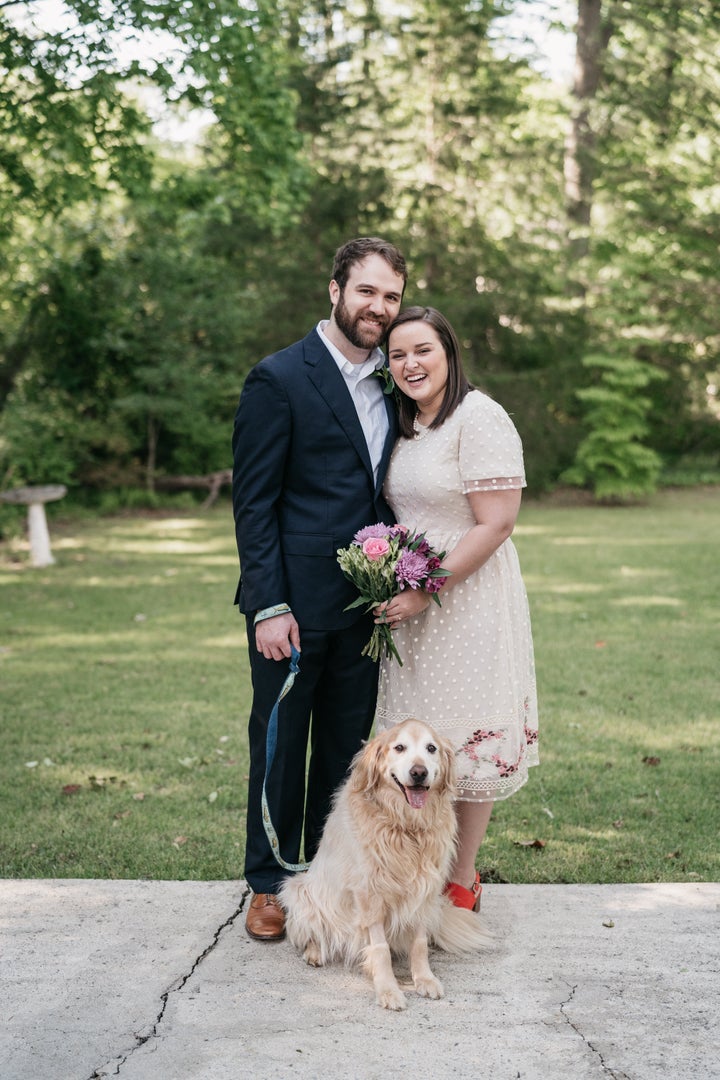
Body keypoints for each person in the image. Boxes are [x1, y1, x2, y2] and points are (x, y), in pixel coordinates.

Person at [232, 237, 408, 941]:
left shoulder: (397, 379)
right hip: (294, 610)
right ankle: (271, 884)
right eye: (367, 291)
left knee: (346, 753)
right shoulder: (279, 378)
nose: (379, 308)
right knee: (279, 748)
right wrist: (268, 605)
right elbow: (254, 503)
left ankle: (330, 880)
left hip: (367, 612)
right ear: (334, 289)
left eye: (391, 296)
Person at [374, 306, 538, 911]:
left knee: (466, 734)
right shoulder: (407, 423)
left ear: (449, 353)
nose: (410, 364)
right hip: (413, 605)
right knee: (419, 736)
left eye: (423, 351)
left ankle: (461, 879)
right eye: (397, 355)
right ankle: (418, 869)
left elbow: (497, 524)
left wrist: (426, 589)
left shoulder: (480, 418)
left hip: (464, 598)